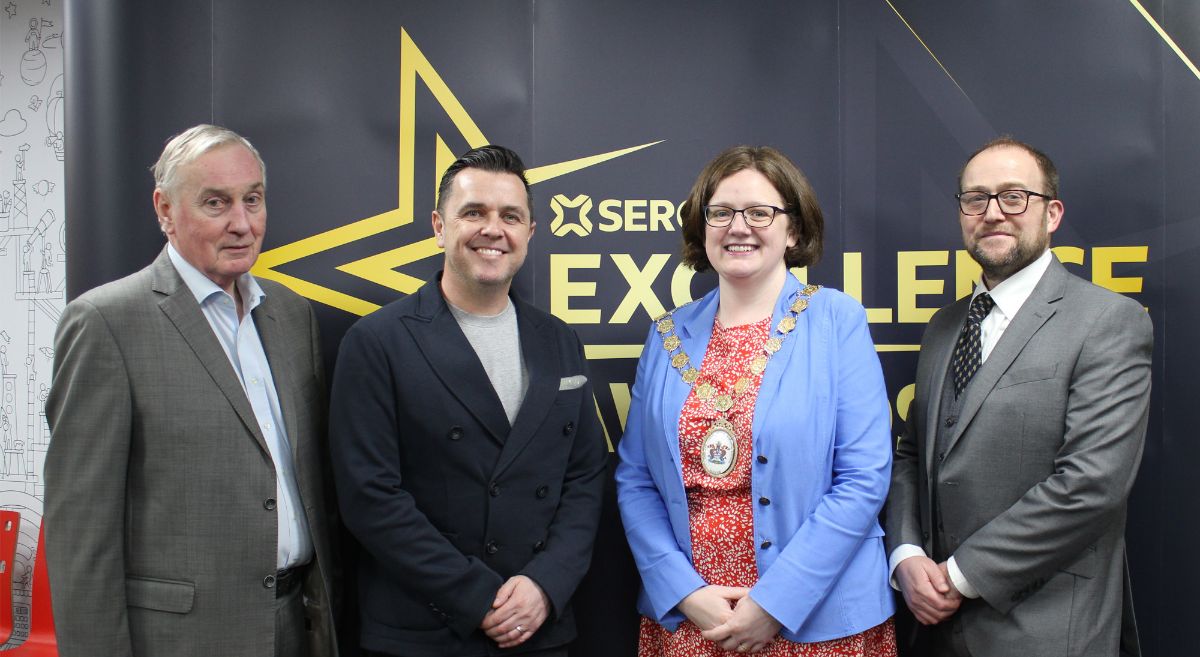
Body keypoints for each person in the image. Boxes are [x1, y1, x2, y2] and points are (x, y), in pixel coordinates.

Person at [44, 124, 337, 657]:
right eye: (216, 203)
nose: (242, 224)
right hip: (184, 639)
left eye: (253, 200)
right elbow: (82, 537)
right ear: (164, 209)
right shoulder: (106, 323)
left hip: (298, 627)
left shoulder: (293, 316)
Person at [616, 145, 896, 656]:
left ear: (793, 230)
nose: (738, 226)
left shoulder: (837, 321)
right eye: (720, 212)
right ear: (702, 229)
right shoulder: (665, 336)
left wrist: (775, 603)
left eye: (760, 212)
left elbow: (864, 477)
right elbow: (635, 479)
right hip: (693, 621)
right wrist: (683, 591)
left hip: (815, 618)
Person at [328, 144, 607, 657]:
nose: (492, 229)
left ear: (529, 233)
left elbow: (585, 476)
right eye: (473, 212)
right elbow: (370, 497)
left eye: (510, 216)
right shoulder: (377, 342)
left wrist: (545, 585)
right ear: (439, 226)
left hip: (538, 629)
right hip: (423, 632)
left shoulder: (560, 340)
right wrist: (478, 597)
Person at [884, 137, 1151, 657]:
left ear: (1051, 213)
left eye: (1013, 197)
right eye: (976, 199)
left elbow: (1092, 483)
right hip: (931, 630)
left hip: (1046, 630)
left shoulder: (1107, 322)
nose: (992, 213)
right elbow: (912, 455)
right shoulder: (943, 327)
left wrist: (958, 577)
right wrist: (906, 553)